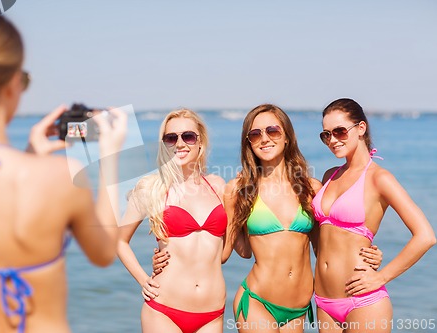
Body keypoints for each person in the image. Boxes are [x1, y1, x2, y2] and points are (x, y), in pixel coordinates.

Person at [0, 13, 127, 333]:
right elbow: (104, 252)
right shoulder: (57, 177)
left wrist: (28, 155)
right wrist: (110, 158)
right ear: (12, 84)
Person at [152, 104, 382, 333]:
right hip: (256, 301)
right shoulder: (239, 189)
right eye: (255, 134)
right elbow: (229, 252)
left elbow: (324, 246)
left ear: (286, 137)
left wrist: (363, 255)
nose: (264, 139)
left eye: (272, 131)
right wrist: (171, 255)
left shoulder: (311, 188)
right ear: (248, 143)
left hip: (299, 308)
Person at [312, 98, 436, 332]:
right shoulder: (329, 175)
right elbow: (323, 237)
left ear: (361, 128)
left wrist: (382, 276)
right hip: (324, 302)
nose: (333, 140)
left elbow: (425, 236)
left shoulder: (380, 179)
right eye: (326, 135)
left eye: (339, 131)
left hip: (363, 302)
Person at [117, 108, 227, 333]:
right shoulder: (152, 188)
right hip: (164, 310)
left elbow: (223, 251)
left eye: (188, 136)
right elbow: (119, 241)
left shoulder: (218, 186)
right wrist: (143, 279)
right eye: (171, 138)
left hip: (212, 314)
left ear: (200, 141)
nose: (180, 143)